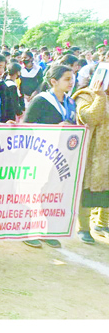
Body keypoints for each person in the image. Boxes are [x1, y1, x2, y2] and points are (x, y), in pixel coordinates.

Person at [21, 64, 77, 249]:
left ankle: (47, 229)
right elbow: (26, 125)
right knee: (32, 191)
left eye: (72, 78)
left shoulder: (70, 102)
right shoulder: (41, 100)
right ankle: (26, 229)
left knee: (52, 191)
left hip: (60, 155)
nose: (71, 82)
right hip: (39, 152)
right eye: (67, 79)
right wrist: (55, 127)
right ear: (54, 81)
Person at [74, 75, 109, 243]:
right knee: (87, 188)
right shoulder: (85, 95)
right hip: (92, 153)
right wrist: (100, 96)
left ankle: (102, 224)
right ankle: (84, 227)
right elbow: (89, 117)